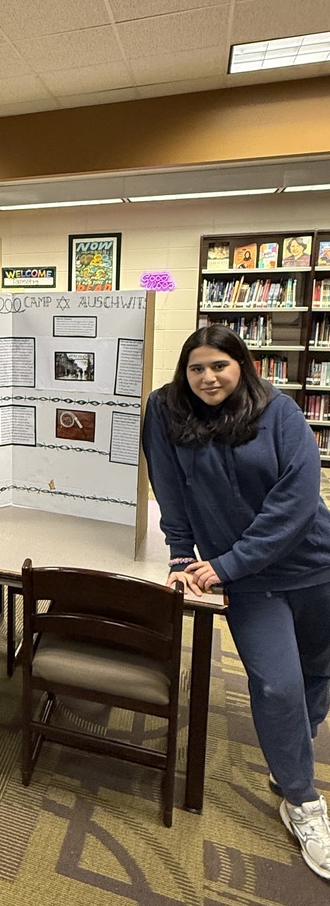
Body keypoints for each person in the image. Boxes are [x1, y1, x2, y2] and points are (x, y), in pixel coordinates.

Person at [142, 324, 330, 882]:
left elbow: (298, 501)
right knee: (277, 683)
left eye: (219, 366)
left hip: (314, 563)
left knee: (319, 667)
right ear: (185, 370)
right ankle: (302, 800)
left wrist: (227, 562)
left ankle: (292, 751)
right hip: (249, 581)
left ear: (242, 365)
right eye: (197, 367)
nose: (208, 378)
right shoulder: (165, 410)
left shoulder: (280, 412)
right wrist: (181, 554)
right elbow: (169, 485)